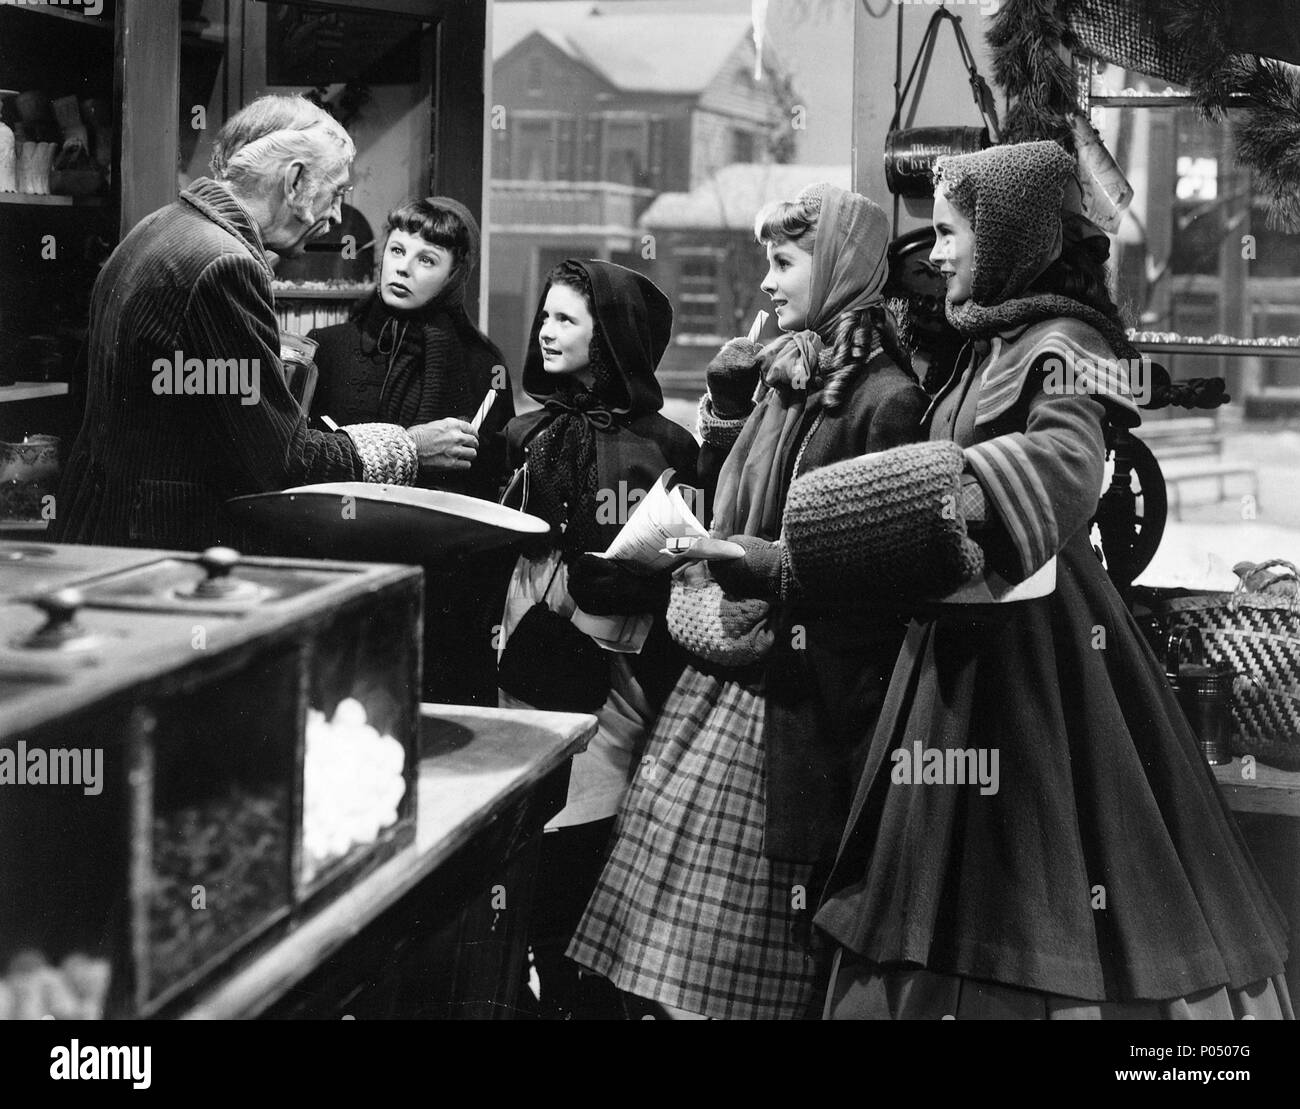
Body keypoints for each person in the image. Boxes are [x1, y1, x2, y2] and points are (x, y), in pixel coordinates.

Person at [775, 141, 1292, 1019]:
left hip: (1037, 648)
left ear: (1009, 234)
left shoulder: (1066, 342)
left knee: (1033, 883)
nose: (934, 255)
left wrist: (933, 493)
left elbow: (1066, 463)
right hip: (964, 635)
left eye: (948, 234)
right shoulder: (996, 337)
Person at [568, 183, 930, 1020]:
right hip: (722, 673)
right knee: (669, 953)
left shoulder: (887, 399)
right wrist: (729, 410)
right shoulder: (790, 369)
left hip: (787, 696)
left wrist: (751, 559)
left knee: (729, 965)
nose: (766, 281)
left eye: (783, 260)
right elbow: (743, 494)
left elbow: (875, 572)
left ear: (838, 264)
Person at [54, 95, 441, 552]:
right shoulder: (225, 265)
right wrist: (405, 446)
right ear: (295, 181)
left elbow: (142, 390)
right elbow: (282, 463)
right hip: (155, 548)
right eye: (336, 193)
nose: (337, 216)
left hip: (96, 525)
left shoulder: (158, 227)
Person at [495, 259, 698, 1019]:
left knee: (589, 867)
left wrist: (639, 584)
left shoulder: (670, 446)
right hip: (523, 667)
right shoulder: (521, 433)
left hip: (622, 684)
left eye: (567, 319)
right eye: (544, 316)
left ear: (609, 335)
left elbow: (691, 567)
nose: (545, 331)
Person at [308, 197, 515, 704]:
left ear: (454, 274)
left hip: (442, 589)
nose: (402, 266)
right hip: (339, 570)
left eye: (427, 259)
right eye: (397, 250)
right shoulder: (326, 347)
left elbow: (491, 493)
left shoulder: (482, 364)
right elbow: (299, 460)